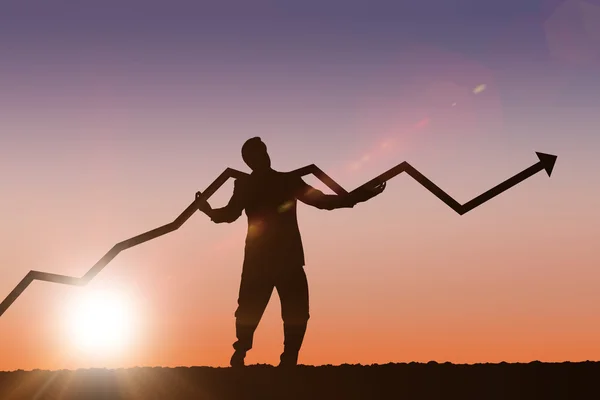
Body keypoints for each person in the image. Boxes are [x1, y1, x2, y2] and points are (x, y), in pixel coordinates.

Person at [195, 137, 386, 368]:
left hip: (285, 258)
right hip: (262, 260)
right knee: (249, 307)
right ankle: (242, 352)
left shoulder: (287, 181)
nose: (261, 158)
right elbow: (230, 214)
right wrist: (208, 211)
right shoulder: (249, 184)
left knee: (294, 309)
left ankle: (287, 358)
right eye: (255, 155)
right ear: (249, 161)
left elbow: (322, 201)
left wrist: (359, 195)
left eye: (262, 153)